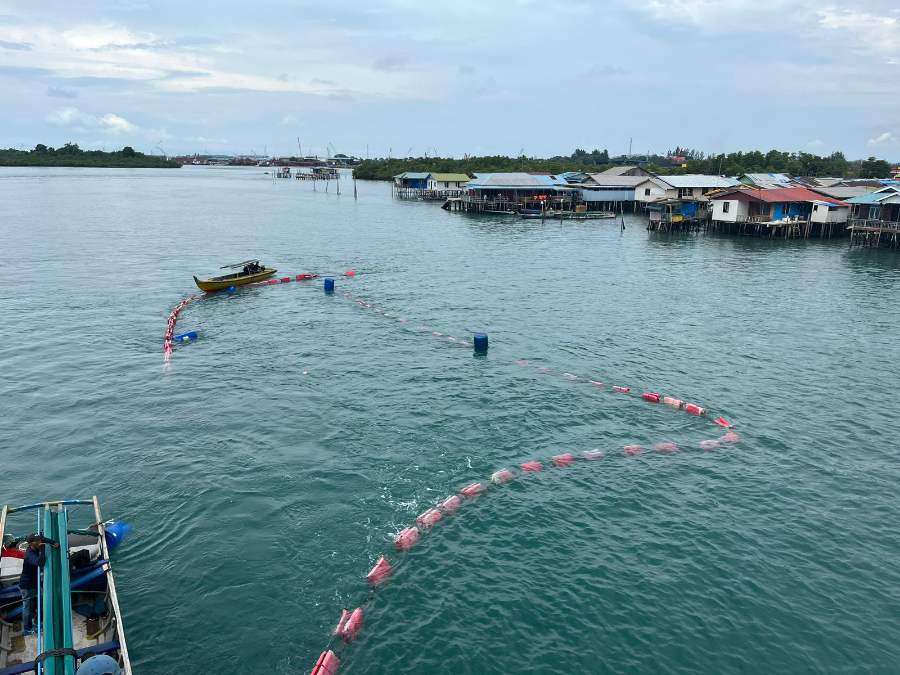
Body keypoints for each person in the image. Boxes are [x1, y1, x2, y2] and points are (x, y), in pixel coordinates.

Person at [20, 534, 59, 635]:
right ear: (31, 543)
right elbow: (40, 562)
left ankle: (39, 621)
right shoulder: (29, 554)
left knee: (42, 600)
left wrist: (53, 542)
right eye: (37, 541)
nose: (40, 542)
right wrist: (42, 549)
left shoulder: (37, 543)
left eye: (39, 540)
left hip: (35, 582)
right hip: (27, 585)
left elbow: (43, 539)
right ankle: (27, 629)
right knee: (27, 607)